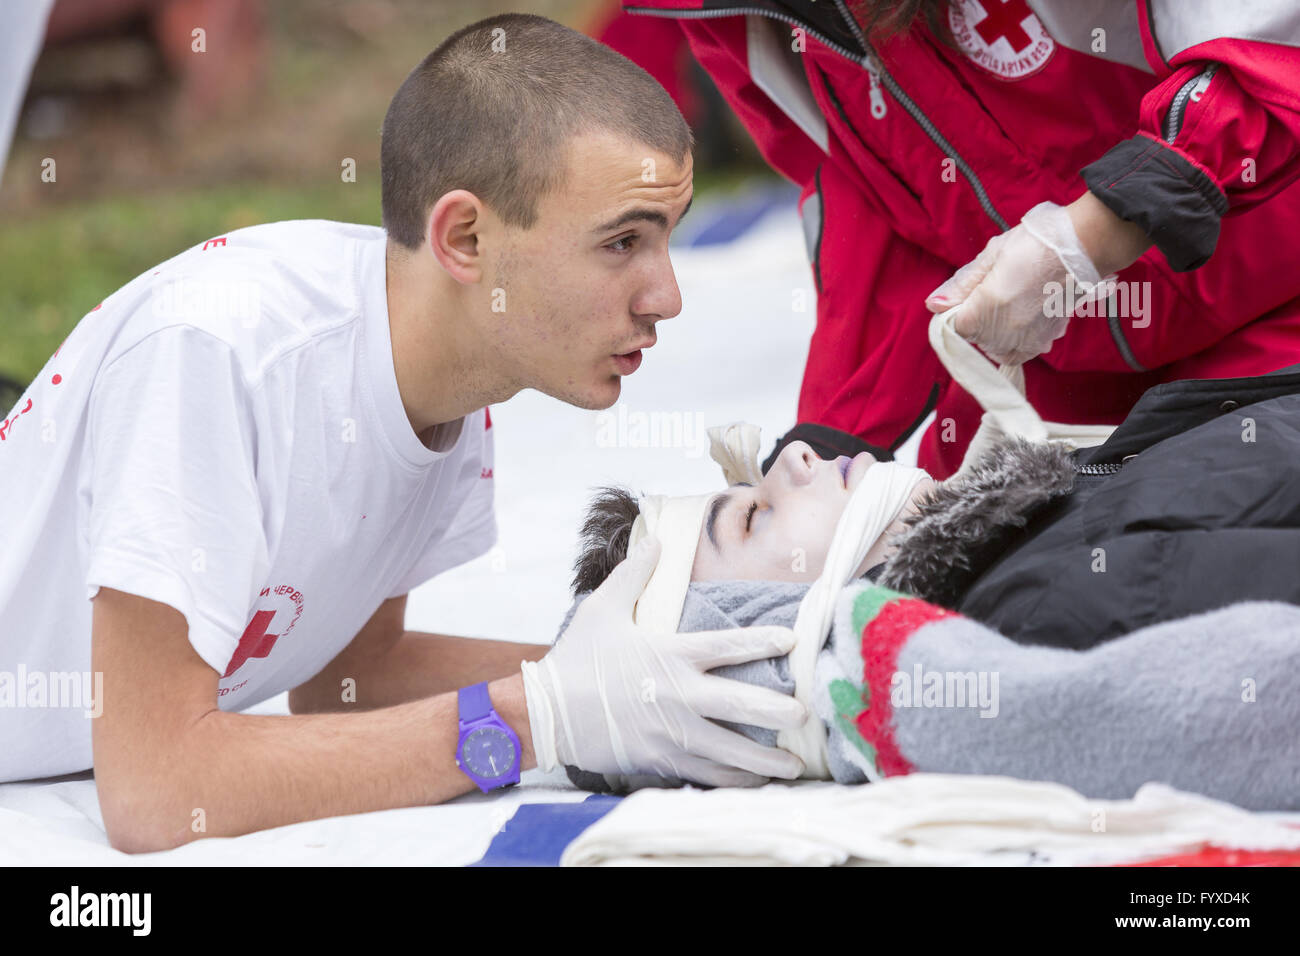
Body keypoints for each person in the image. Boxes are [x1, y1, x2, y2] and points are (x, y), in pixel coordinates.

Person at [0, 13, 808, 852]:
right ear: (464, 238)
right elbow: (159, 790)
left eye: (665, 238)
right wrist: (540, 717)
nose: (667, 296)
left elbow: (352, 675)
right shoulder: (215, 357)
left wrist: (649, 674)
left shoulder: (445, 373)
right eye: (621, 242)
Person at [553, 363, 1300, 807]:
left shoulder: (1044, 522)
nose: (799, 455)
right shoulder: (1047, 603)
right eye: (751, 518)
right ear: (765, 630)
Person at [619, 0, 1300, 479]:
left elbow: (1270, 47)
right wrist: (835, 443)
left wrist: (1093, 231)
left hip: (1273, 295)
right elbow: (871, 196)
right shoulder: (709, 9)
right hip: (1052, 365)